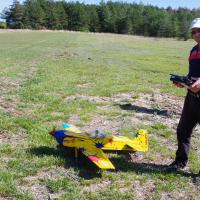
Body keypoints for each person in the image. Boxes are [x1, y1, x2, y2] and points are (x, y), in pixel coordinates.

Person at [169, 18, 200, 181]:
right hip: (192, 97)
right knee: (183, 130)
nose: (196, 34)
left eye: (199, 30)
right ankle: (180, 162)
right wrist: (184, 82)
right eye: (193, 32)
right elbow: (192, 75)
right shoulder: (194, 50)